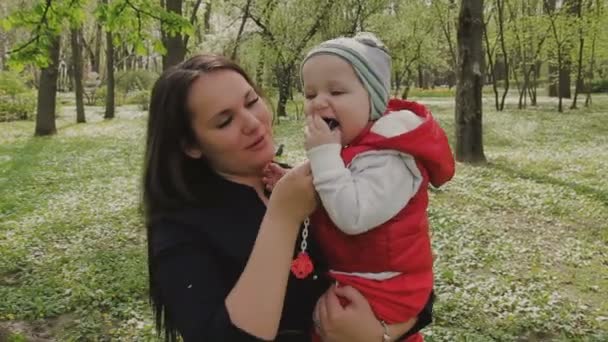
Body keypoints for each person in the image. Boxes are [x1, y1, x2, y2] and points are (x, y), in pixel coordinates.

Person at [143, 54, 434, 342]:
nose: (253, 123)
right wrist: (283, 217)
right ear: (191, 144)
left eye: (251, 101)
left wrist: (379, 333)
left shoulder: (314, 180)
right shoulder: (180, 228)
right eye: (225, 121)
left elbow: (407, 272)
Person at [263, 33, 455, 342]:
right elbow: (338, 182)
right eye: (310, 94)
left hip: (389, 287)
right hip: (359, 280)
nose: (319, 101)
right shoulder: (356, 146)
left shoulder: (392, 158)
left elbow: (353, 215)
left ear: (373, 101)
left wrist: (323, 154)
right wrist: (291, 180)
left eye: (336, 91)